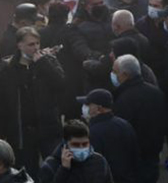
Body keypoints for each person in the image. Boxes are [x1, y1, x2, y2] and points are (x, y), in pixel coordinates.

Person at [0, 28, 63, 176]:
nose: (36, 48)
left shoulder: (48, 61)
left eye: (37, 43)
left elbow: (61, 84)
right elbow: (1, 102)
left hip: (47, 126)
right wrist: (2, 131)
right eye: (31, 44)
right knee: (27, 171)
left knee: (54, 169)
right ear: (20, 45)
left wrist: (43, 64)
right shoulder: (7, 68)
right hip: (22, 131)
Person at [110, 54, 166, 183]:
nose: (112, 74)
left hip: (132, 159)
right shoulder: (156, 92)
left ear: (125, 74)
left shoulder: (124, 99)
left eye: (115, 71)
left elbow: (120, 131)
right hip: (153, 153)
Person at [76, 89, 138, 183]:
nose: (84, 107)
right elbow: (135, 155)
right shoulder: (124, 125)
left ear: (99, 109)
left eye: (88, 105)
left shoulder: (93, 132)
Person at [37, 120, 113, 183]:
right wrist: (64, 170)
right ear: (65, 145)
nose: (81, 148)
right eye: (76, 145)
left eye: (85, 144)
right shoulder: (51, 166)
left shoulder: (99, 161)